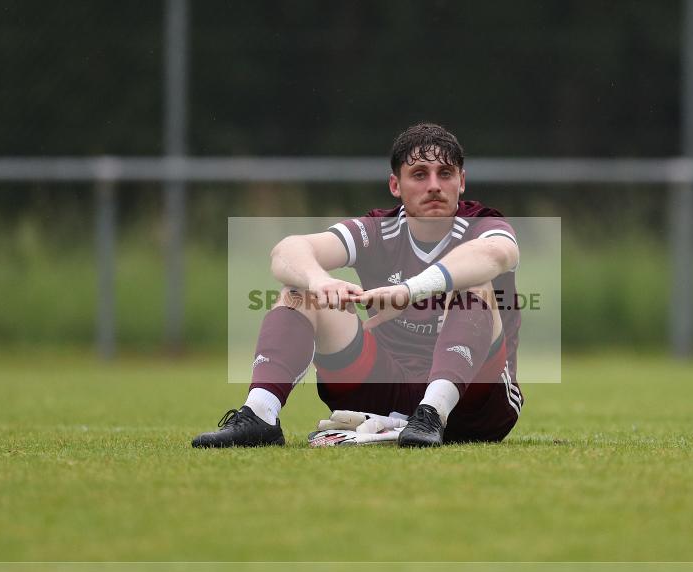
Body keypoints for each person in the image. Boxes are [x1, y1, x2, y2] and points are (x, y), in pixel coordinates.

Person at [192, 123, 523, 448]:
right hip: (388, 386)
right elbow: (287, 252)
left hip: (476, 404)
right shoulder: (378, 229)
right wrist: (319, 281)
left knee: (477, 286)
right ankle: (259, 416)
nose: (434, 185)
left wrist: (409, 290)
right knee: (298, 292)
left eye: (446, 174)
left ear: (461, 182)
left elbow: (498, 253)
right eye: (420, 174)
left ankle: (433, 412)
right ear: (396, 185)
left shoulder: (485, 224)